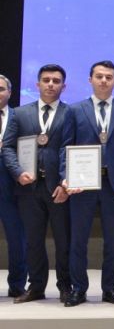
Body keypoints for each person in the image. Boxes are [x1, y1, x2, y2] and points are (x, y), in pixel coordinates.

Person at [59, 60, 114, 306]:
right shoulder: (75, 110)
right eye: (99, 76)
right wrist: (65, 177)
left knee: (112, 241)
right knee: (78, 240)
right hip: (82, 184)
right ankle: (79, 289)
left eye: (109, 77)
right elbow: (65, 147)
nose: (104, 80)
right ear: (90, 79)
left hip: (113, 185)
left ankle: (109, 288)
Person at [1, 64, 72, 304]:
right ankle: (36, 287)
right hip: (28, 187)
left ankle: (65, 286)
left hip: (59, 188)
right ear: (37, 84)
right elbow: (8, 147)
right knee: (33, 241)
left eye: (56, 81)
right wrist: (18, 172)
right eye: (46, 80)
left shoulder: (71, 113)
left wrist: (65, 182)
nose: (50, 84)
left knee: (63, 241)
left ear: (64, 86)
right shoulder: (20, 114)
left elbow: (72, 149)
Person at [0, 74, 27, 299]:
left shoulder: (20, 117)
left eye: (1, 89)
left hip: (10, 182)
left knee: (17, 236)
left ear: (9, 92)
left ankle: (17, 284)